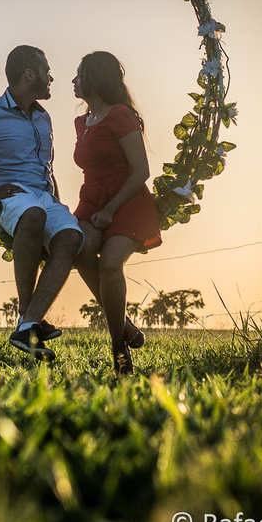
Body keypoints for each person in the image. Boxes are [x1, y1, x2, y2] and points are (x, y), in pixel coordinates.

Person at [0, 45, 83, 361]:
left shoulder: (43, 117)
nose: (51, 77)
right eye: (46, 70)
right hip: (11, 198)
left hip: (43, 198)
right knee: (33, 213)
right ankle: (27, 312)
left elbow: (47, 170)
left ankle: (29, 324)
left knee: (71, 236)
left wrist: (59, 206)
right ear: (28, 74)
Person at [71, 51, 162, 374]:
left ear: (95, 79)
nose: (74, 81)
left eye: (80, 75)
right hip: (91, 198)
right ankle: (124, 324)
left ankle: (117, 347)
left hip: (126, 200)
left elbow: (141, 170)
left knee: (110, 265)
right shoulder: (82, 122)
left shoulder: (121, 115)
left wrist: (110, 209)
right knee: (79, 250)